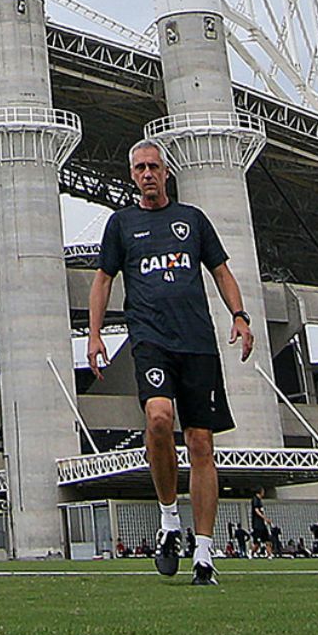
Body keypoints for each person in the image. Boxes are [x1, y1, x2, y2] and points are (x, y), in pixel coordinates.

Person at [88, 139, 254, 586]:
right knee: (159, 419)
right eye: (139, 167)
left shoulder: (191, 220)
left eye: (153, 167)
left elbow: (221, 271)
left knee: (201, 444)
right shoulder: (121, 224)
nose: (147, 174)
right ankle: (168, 521)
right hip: (151, 340)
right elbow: (103, 279)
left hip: (198, 343)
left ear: (166, 172)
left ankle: (203, 554)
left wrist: (240, 317)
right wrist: (96, 334)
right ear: (132, 175)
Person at [249, 491, 272, 558]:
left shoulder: (260, 500)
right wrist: (265, 518)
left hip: (262, 524)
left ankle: (269, 555)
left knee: (267, 540)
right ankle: (251, 553)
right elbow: (257, 511)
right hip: (257, 525)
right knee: (257, 543)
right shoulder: (255, 500)